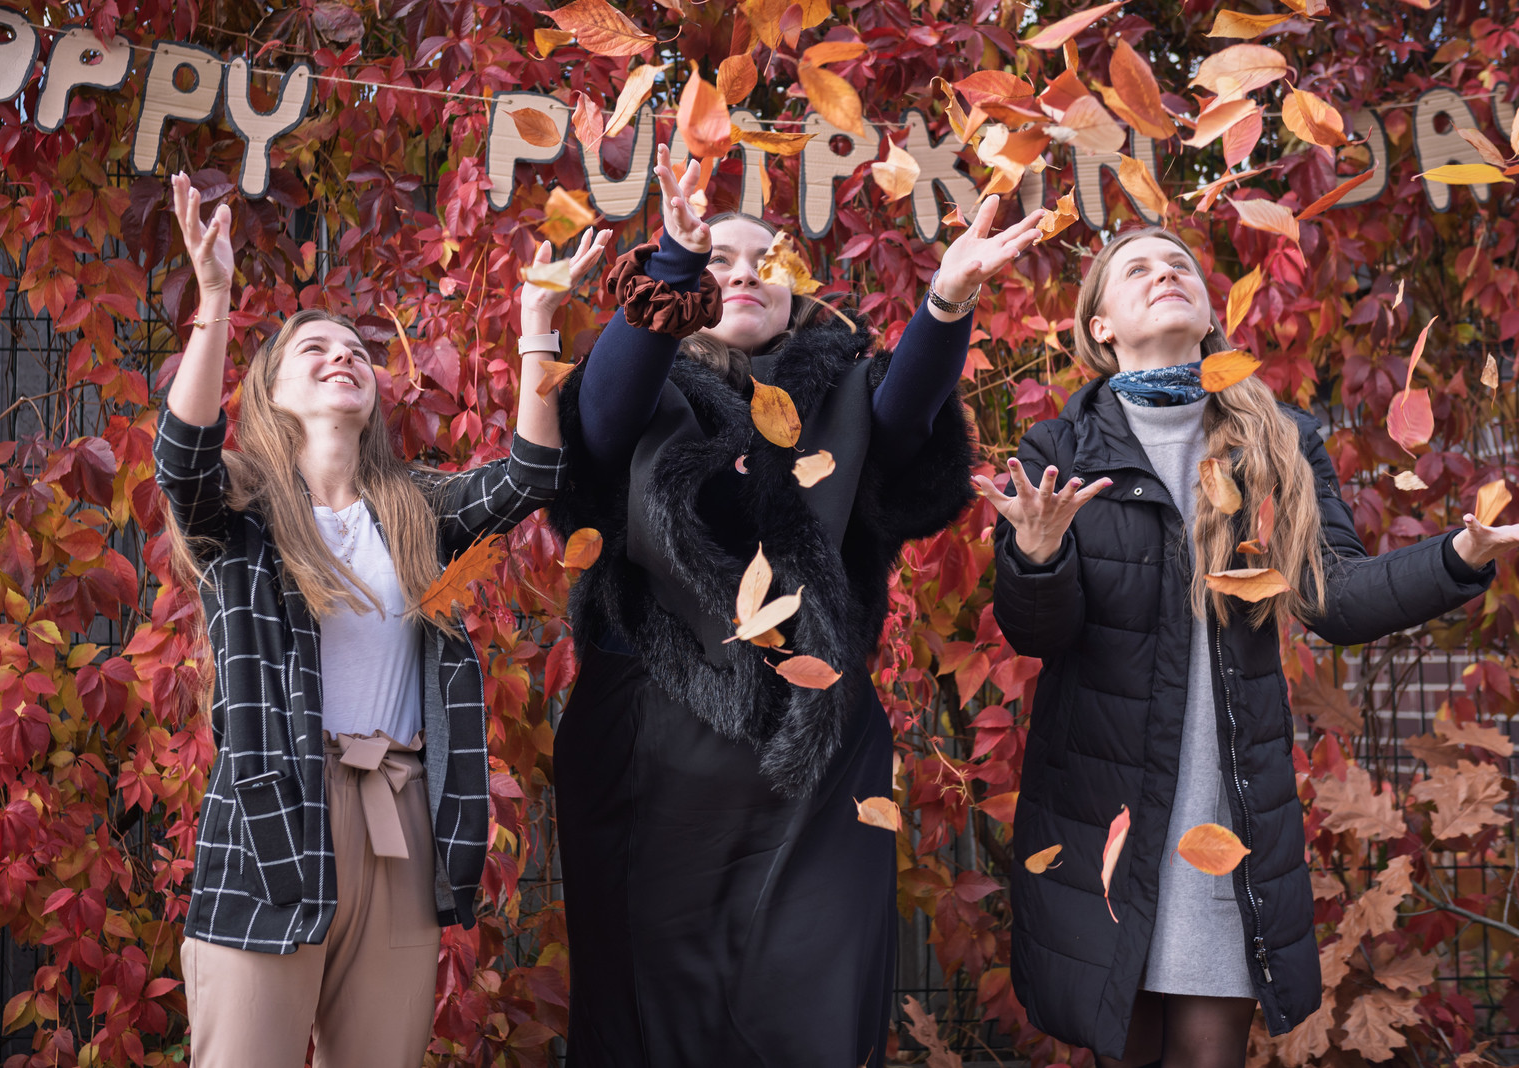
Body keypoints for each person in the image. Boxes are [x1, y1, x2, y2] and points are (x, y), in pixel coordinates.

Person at [977, 226, 1519, 1068]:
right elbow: (1041, 634)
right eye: (1137, 268)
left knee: (1209, 1052)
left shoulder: (1275, 441)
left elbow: (1336, 597)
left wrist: (1458, 555)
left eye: (1180, 265)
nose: (1165, 274)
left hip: (1224, 814)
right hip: (1103, 811)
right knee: (1122, 1045)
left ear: (1209, 313)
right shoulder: (1059, 451)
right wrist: (1037, 557)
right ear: (1100, 326)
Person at [547, 144, 1044, 1067]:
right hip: (651, 747)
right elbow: (602, 420)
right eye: (720, 260)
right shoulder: (643, 383)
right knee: (650, 1021)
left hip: (814, 754)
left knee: (815, 1007)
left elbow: (903, 413)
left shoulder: (846, 389)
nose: (743, 273)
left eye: (765, 260)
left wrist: (948, 299)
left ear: (802, 295)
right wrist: (673, 261)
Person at [155, 171, 606, 1067]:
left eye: (357, 349)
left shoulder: (414, 511)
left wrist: (536, 325)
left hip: (399, 820)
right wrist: (213, 303)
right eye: (314, 348)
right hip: (274, 820)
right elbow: (182, 457)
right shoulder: (239, 515)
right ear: (272, 392)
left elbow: (530, 477)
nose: (344, 356)